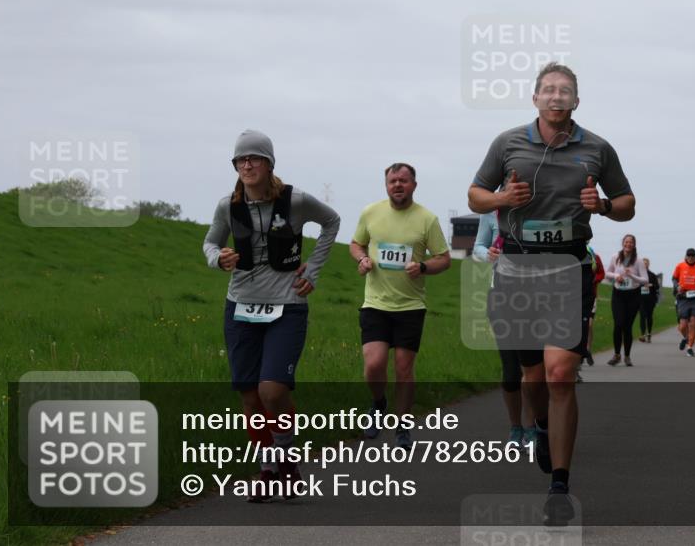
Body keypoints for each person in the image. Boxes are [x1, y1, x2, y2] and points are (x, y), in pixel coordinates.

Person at [468, 61, 635, 518]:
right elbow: (475, 195)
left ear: (576, 100)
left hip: (568, 269)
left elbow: (627, 204)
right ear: (535, 97)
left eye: (565, 90)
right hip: (517, 271)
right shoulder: (508, 143)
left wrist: (603, 205)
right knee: (533, 377)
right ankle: (541, 424)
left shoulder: (597, 148)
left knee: (560, 373)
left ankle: (559, 487)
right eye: (549, 89)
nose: (556, 96)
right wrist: (502, 199)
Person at [203, 130, 340, 502]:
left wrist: (313, 269)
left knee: (272, 391)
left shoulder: (295, 200)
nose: (247, 165)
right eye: (240, 159)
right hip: (240, 306)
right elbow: (211, 242)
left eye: (254, 158)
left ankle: (286, 458)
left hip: (287, 306)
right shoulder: (228, 206)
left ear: (269, 163)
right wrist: (218, 258)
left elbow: (331, 221)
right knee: (250, 397)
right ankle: (268, 470)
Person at [350, 163, 451, 450]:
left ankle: (403, 425)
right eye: (392, 180)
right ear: (386, 185)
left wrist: (423, 267)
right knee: (374, 365)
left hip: (410, 306)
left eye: (403, 181)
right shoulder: (371, 213)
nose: (397, 185)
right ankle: (379, 403)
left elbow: (444, 259)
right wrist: (362, 259)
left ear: (413, 185)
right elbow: (356, 244)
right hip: (375, 303)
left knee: (404, 369)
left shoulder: (427, 219)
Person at [473, 211, 533, 444]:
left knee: (532, 369)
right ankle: (516, 427)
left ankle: (533, 427)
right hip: (501, 296)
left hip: (535, 296)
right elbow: (478, 247)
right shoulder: (491, 213)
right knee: (511, 370)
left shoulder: (538, 207)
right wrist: (487, 253)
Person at [606, 234, 647, 366]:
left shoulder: (638, 261)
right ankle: (617, 354)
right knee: (618, 324)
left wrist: (632, 276)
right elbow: (607, 273)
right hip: (618, 294)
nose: (628, 244)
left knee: (627, 327)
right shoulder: (615, 257)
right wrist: (616, 276)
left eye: (631, 242)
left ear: (634, 245)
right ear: (623, 243)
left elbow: (645, 280)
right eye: (626, 242)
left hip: (633, 295)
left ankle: (627, 356)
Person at [672, 248, 695, 357]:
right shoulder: (680, 266)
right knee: (683, 325)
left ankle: (690, 347)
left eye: (693, 256)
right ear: (686, 256)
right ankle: (686, 338)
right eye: (689, 255)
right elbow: (674, 278)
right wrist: (677, 286)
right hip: (683, 297)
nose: (691, 257)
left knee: (693, 322)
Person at [584, 245, 605, 367]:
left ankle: (588, 350)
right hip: (575, 296)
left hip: (591, 295)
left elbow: (601, 273)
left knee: (589, 325)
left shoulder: (594, 256)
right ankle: (579, 353)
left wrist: (594, 279)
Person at [638, 258, 660, 343]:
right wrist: (641, 286)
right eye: (643, 263)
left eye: (646, 263)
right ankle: (643, 335)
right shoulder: (638, 275)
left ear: (648, 264)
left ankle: (649, 334)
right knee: (642, 316)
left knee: (649, 317)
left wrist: (651, 285)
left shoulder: (652, 275)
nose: (645, 265)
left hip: (650, 299)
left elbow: (657, 286)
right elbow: (635, 285)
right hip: (640, 299)